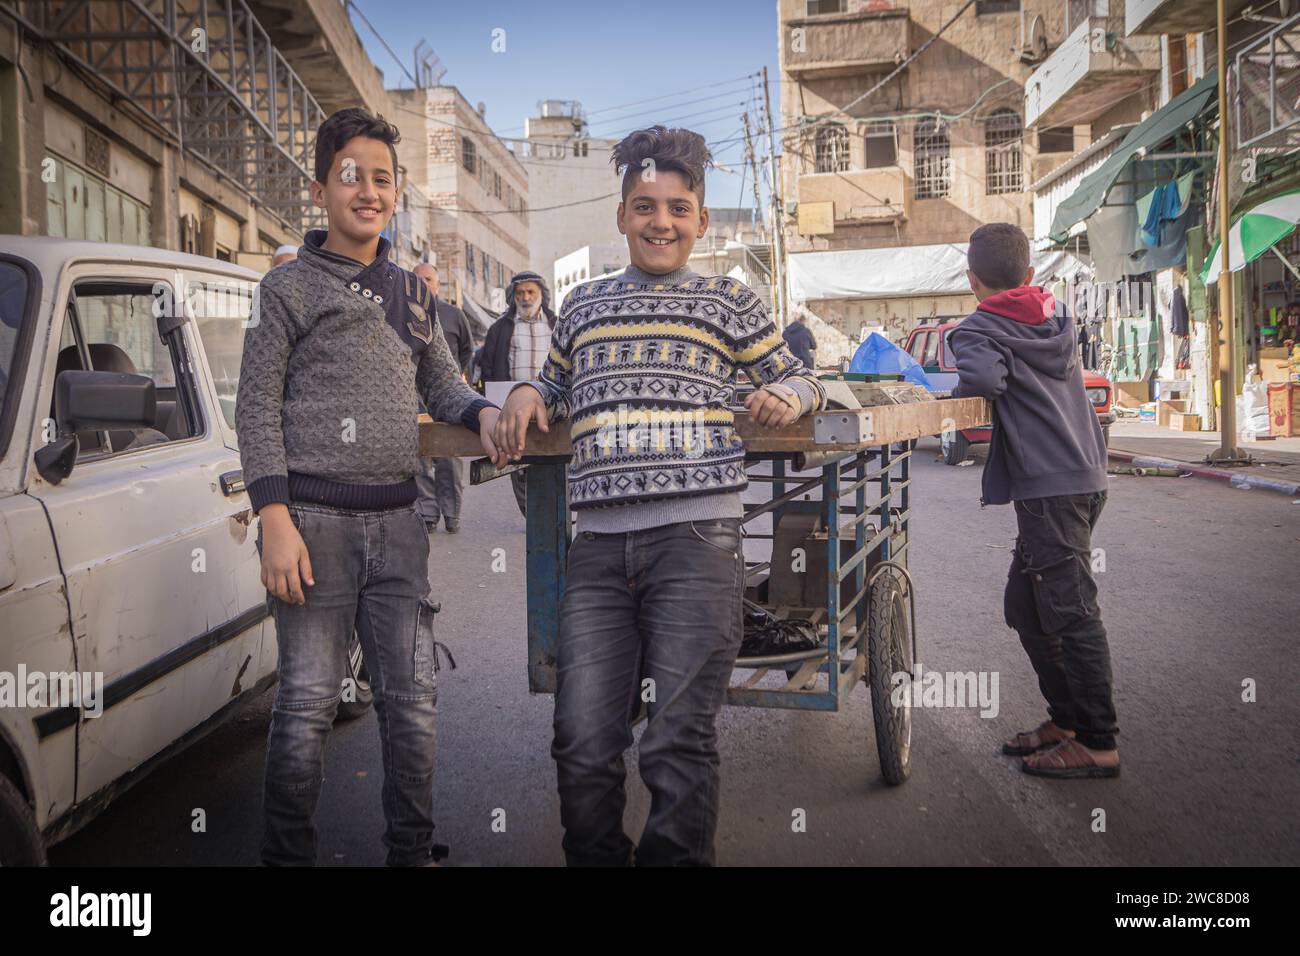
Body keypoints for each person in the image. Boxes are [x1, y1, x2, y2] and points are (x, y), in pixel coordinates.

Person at [495, 125, 827, 865]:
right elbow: (549, 386)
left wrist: (788, 390)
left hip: (697, 544)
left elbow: (806, 375)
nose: (661, 222)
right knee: (581, 740)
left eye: (678, 208)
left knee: (677, 743)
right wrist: (523, 391)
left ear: (701, 220)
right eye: (645, 206)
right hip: (600, 551)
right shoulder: (579, 306)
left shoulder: (729, 301)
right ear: (621, 216)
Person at [235, 107, 502, 866]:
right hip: (311, 526)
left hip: (399, 524)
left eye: (383, 178)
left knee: (412, 706)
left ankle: (409, 852)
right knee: (307, 709)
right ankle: (287, 857)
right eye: (351, 174)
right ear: (321, 188)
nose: (368, 190)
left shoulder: (415, 296)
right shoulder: (284, 289)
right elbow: (255, 407)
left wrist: (485, 414)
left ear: (396, 195)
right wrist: (274, 518)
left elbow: (444, 387)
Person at [948, 223, 1119, 780]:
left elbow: (981, 382)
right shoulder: (1055, 315)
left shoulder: (978, 327)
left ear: (973, 279)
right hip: (1085, 478)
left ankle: (1097, 740)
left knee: (1071, 613)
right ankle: (1067, 720)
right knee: (1025, 606)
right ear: (1027, 276)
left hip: (1049, 490)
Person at [479, 271, 557, 516]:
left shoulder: (557, 324)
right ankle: (530, 512)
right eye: (520, 292)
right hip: (511, 407)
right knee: (517, 460)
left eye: (530, 292)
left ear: (541, 295)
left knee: (552, 458)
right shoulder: (500, 329)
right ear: (513, 296)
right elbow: (488, 368)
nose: (525, 297)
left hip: (550, 406)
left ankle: (552, 511)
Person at [413, 262, 474, 533]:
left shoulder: (453, 315)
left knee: (450, 453)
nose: (423, 284)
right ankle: (427, 513)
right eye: (417, 279)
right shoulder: (401, 312)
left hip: (447, 393)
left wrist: (458, 377)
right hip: (412, 394)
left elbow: (467, 352)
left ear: (437, 284)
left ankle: (452, 513)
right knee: (420, 454)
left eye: (428, 279)